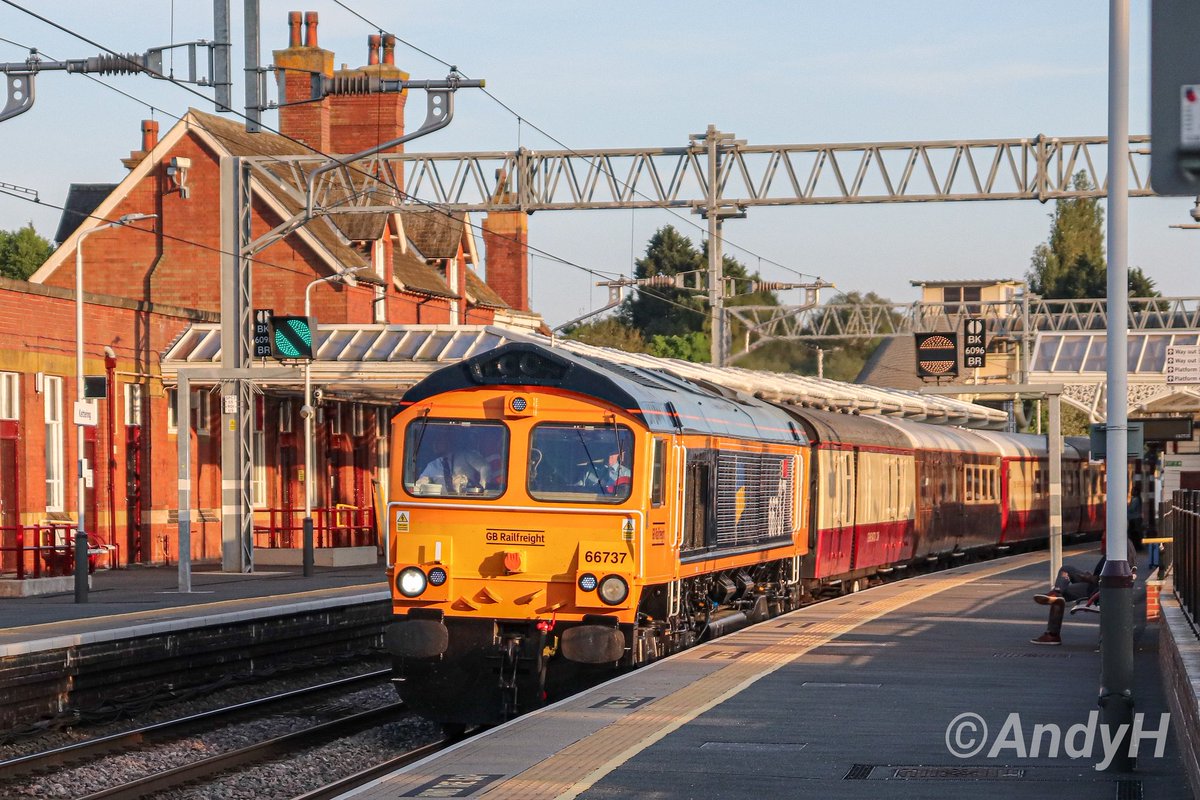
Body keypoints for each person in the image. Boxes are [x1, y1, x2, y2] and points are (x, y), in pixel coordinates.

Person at [1030, 540, 1137, 646]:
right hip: (1098, 585)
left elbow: (1112, 579)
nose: (1103, 538)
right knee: (1065, 575)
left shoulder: (1121, 548)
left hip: (1100, 589)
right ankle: (1056, 593)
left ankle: (1052, 634)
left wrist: (1089, 578)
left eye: (1104, 535)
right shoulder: (1121, 546)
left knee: (1062, 589)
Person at [415, 443, 490, 494]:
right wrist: (422, 483)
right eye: (434, 440)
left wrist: (483, 484)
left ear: (449, 442)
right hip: (443, 504)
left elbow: (485, 467)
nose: (435, 444)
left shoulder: (466, 456)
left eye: (440, 440)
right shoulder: (432, 465)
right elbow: (419, 485)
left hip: (468, 501)